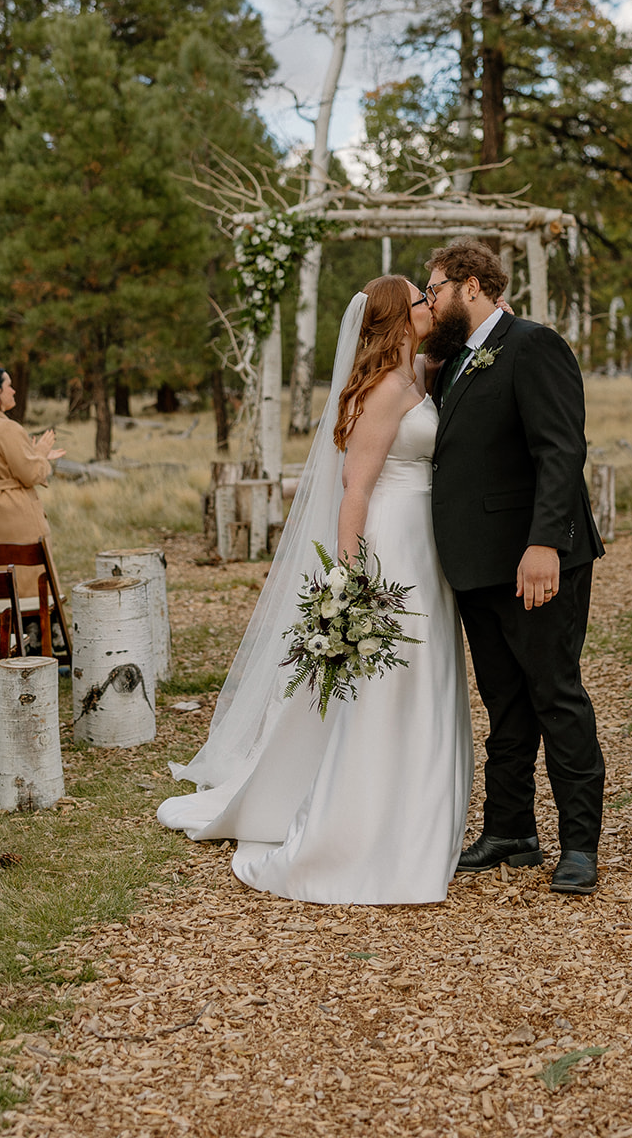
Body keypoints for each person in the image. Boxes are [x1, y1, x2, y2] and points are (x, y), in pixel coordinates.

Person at [158, 277, 473, 905]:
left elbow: (440, 366)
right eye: (419, 300)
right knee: (394, 679)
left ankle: (423, 807)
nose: (428, 306)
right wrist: (352, 577)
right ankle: (371, 824)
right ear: (395, 319)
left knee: (426, 669)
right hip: (391, 543)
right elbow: (355, 489)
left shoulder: (412, 374)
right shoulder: (384, 391)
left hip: (424, 544)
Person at [425, 239, 606, 896]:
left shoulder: (532, 345)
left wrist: (544, 543)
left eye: (435, 288)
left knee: (554, 695)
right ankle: (510, 829)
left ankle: (579, 845)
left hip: (535, 560)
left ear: (471, 286)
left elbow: (560, 449)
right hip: (477, 564)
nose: (429, 301)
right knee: (503, 702)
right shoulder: (453, 363)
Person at [0, 366, 65, 602]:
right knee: (29, 581)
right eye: (8, 385)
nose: (14, 390)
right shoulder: (7, 428)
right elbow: (29, 474)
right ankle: (38, 633)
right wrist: (40, 453)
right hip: (15, 512)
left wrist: (36, 455)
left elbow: (5, 465)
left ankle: (4, 630)